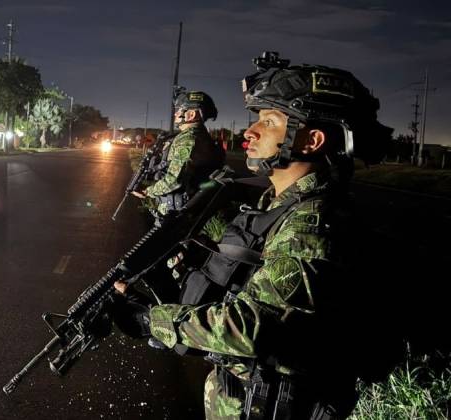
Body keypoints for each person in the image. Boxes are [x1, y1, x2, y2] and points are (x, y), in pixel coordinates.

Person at [119, 52, 391, 419]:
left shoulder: (312, 222)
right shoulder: (280, 203)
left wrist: (154, 320)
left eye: (269, 121)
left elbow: (251, 326)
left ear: (310, 140)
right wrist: (198, 268)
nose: (250, 131)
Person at [132, 90, 225, 218]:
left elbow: (174, 180)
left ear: (191, 114)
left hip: (177, 212)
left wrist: (148, 192)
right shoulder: (199, 136)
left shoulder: (188, 139)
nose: (175, 113)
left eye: (179, 110)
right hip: (188, 207)